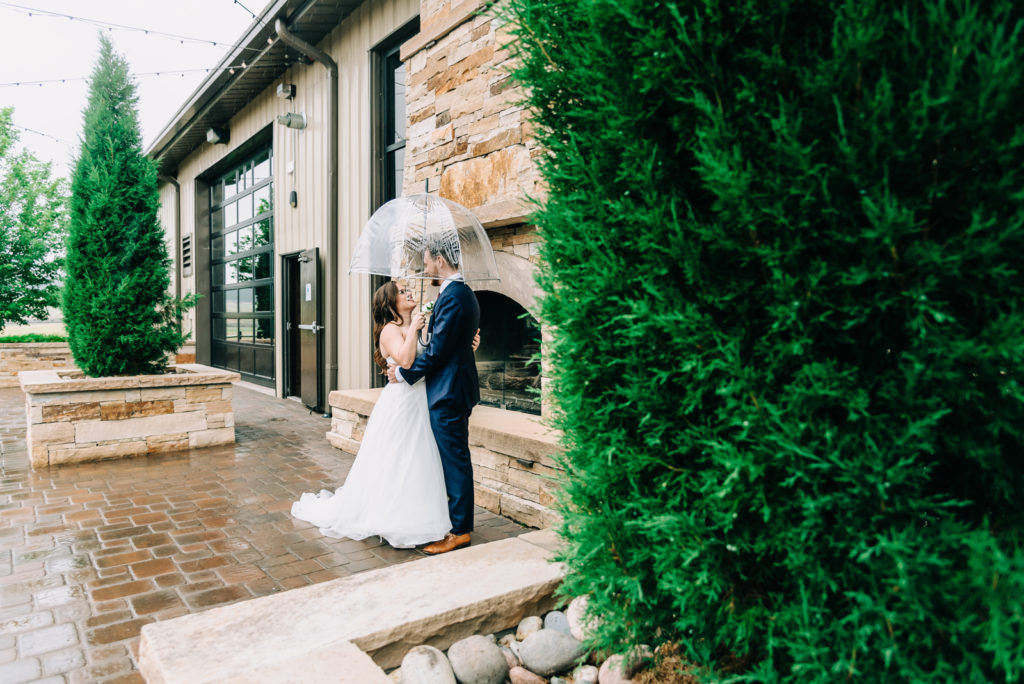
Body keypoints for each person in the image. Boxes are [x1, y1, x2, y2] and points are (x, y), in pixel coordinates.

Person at [290, 281, 452, 548]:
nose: (409, 292)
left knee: (418, 458)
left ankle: (418, 513)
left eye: (408, 289)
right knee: (399, 457)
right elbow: (407, 361)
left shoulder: (422, 326)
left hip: (422, 399)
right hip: (401, 403)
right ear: (390, 303)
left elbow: (433, 359)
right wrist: (413, 329)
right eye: (401, 291)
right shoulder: (390, 330)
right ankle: (391, 516)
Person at [388, 234, 480, 555]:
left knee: (455, 460)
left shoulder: (454, 295)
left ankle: (460, 531)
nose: (425, 266)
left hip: (449, 392)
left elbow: (439, 351)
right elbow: (451, 344)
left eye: (426, 260)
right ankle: (457, 523)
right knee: (455, 458)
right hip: (453, 386)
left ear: (440, 259)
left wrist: (402, 372)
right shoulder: (457, 293)